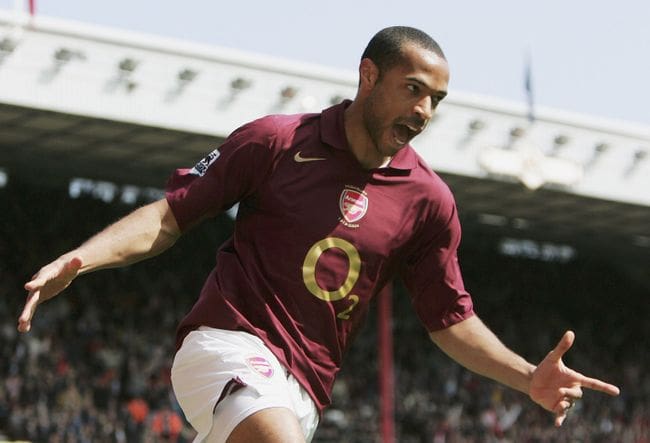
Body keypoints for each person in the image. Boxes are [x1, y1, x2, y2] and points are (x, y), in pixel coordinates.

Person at [17, 26, 620, 443]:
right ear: (368, 75)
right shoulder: (276, 141)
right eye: (412, 90)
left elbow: (449, 320)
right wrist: (82, 257)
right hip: (227, 346)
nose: (424, 113)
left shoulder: (429, 201)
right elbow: (170, 216)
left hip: (305, 391)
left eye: (436, 100)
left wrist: (526, 377)